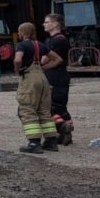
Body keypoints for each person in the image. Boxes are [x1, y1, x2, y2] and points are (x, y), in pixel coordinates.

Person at [14, 22, 59, 154]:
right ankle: (51, 142)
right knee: (44, 111)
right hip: (43, 79)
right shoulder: (41, 45)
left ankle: (34, 143)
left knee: (28, 110)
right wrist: (43, 68)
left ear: (22, 33)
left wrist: (18, 70)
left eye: (19, 32)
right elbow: (58, 59)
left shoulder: (21, 45)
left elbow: (17, 60)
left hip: (30, 79)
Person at [41, 12, 73, 145]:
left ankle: (64, 129)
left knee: (54, 106)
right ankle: (65, 131)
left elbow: (43, 59)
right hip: (56, 75)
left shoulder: (58, 40)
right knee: (56, 107)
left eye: (47, 22)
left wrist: (40, 65)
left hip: (56, 76)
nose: (44, 24)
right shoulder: (52, 40)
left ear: (55, 24)